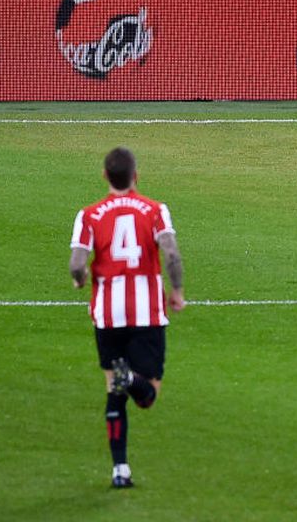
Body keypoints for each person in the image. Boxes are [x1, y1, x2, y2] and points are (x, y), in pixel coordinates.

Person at [68, 147, 185, 488]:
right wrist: (176, 291)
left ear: (105, 176)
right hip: (146, 312)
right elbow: (171, 252)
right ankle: (129, 378)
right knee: (147, 395)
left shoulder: (88, 215)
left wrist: (79, 280)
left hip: (107, 314)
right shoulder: (154, 210)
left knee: (113, 392)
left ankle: (120, 469)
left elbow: (77, 263)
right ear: (136, 175)